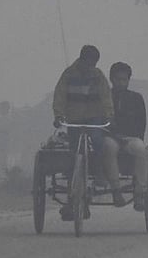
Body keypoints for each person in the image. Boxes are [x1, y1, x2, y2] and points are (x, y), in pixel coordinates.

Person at [52, 45, 123, 208]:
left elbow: (106, 97)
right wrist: (58, 115)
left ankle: (99, 171)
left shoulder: (98, 76)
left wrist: (109, 115)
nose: (90, 67)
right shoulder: (69, 74)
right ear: (82, 59)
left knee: (97, 140)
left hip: (94, 117)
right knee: (73, 151)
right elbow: (60, 96)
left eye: (94, 63)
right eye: (89, 62)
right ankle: (73, 187)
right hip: (74, 118)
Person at [102, 62, 148, 211]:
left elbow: (142, 122)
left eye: (124, 79)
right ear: (111, 79)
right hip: (111, 137)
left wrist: (136, 137)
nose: (121, 83)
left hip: (130, 138)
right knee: (108, 146)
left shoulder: (136, 98)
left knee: (142, 149)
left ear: (129, 80)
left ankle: (140, 193)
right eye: (118, 79)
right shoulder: (104, 98)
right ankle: (116, 191)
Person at [0, 100, 12, 178]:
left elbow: (5, 129)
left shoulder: (7, 119)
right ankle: (0, 173)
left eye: (1, 108)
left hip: (3, 140)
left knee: (3, 158)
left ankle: (3, 174)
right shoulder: (1, 119)